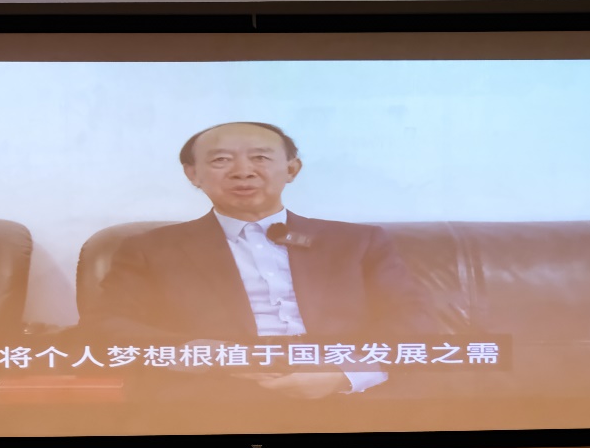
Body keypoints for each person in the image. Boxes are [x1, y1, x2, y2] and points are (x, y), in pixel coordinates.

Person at [80, 121, 441, 400]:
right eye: (221, 160)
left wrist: (345, 374)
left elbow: (413, 317)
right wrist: (197, 353)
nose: (243, 171)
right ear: (193, 174)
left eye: (261, 158)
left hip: (351, 391)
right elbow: (106, 323)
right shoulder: (149, 249)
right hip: (215, 393)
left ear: (292, 169)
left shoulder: (358, 242)